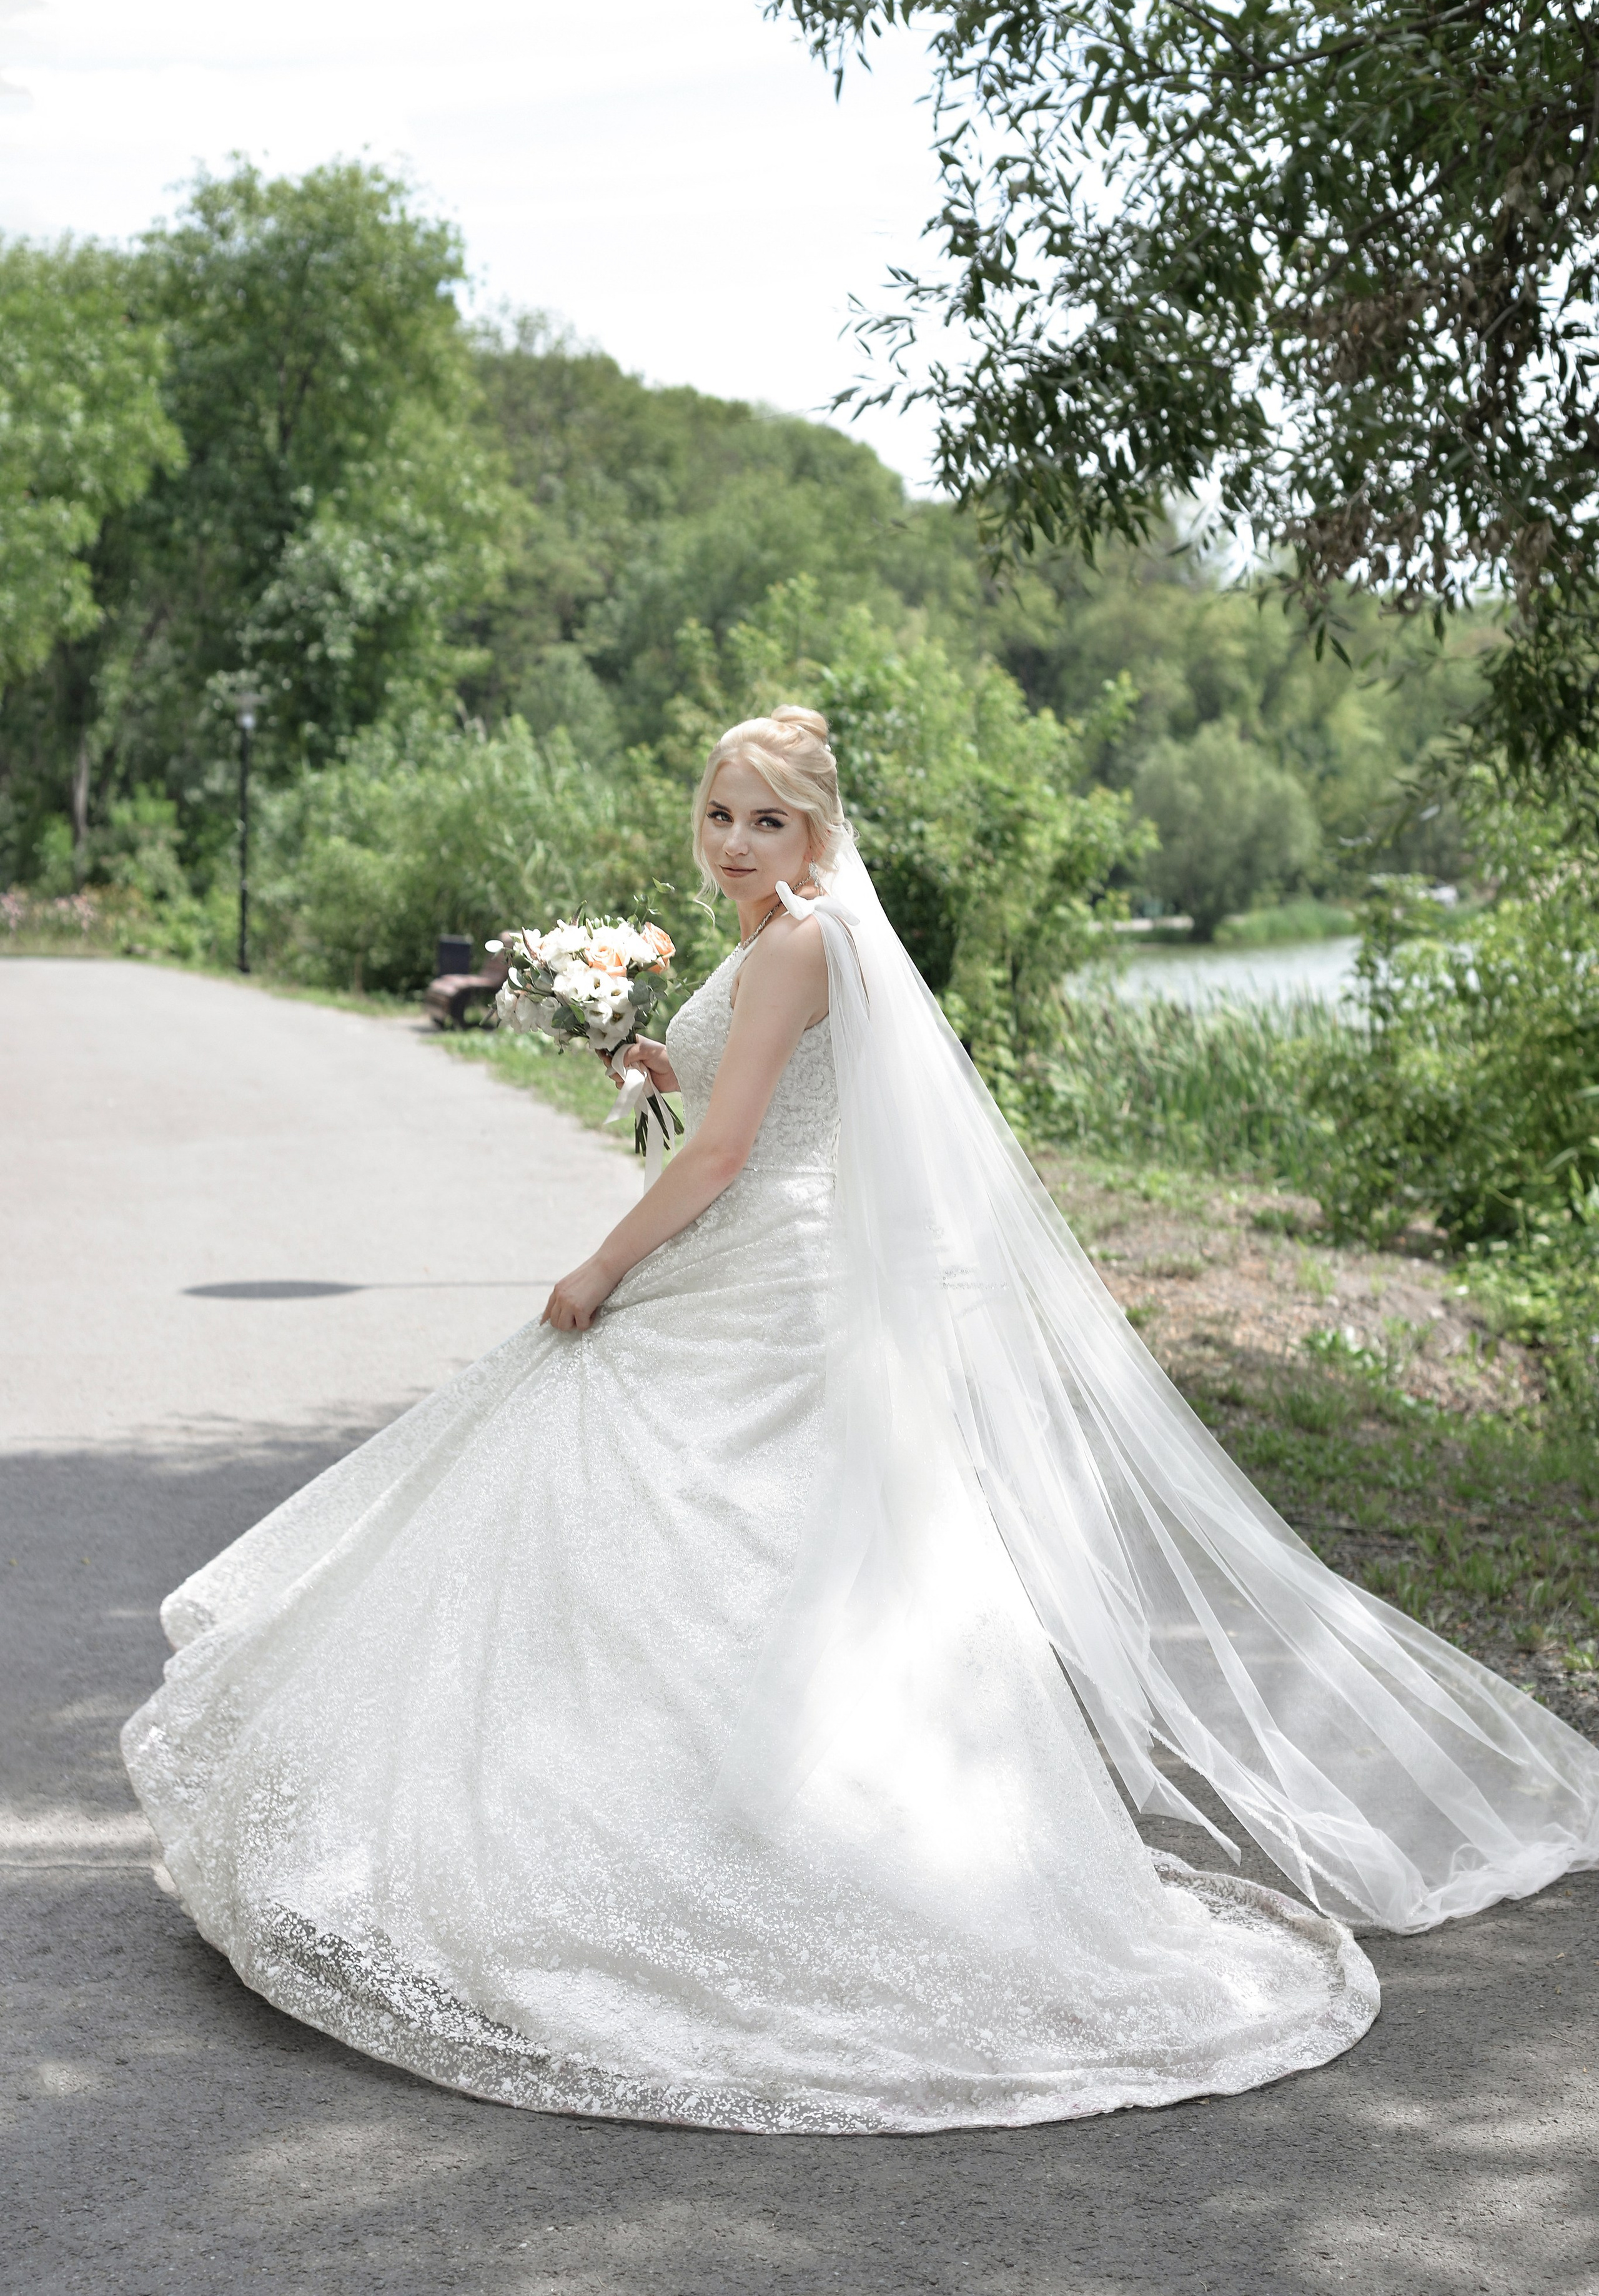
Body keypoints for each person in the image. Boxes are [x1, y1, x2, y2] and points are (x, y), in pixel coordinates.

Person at [122, 706, 1599, 2134]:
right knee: (741, 1550)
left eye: (769, 818)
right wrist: (649, 1059)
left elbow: (718, 1161)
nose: (734, 839)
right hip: (775, 1263)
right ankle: (706, 1824)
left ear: (819, 826)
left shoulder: (801, 941)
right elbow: (730, 1108)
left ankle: (734, 1855)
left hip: (758, 1277)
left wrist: (596, 1264)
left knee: (698, 1525)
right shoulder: (784, 936)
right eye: (718, 812)